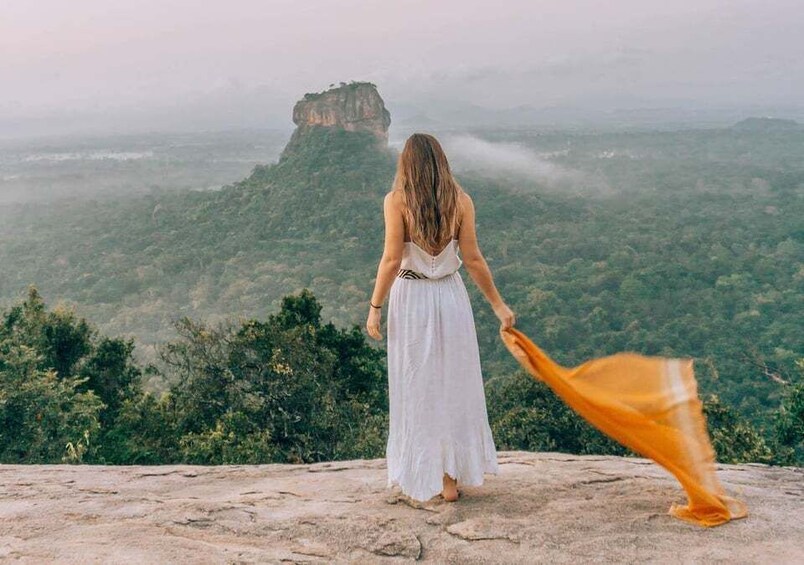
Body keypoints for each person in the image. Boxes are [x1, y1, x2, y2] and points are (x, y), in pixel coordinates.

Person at [366, 132, 515, 502]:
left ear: (407, 165)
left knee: (417, 384)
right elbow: (474, 260)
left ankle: (424, 475)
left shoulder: (396, 201)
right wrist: (498, 306)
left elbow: (390, 259)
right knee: (453, 383)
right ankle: (450, 477)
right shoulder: (461, 201)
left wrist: (375, 307)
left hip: (411, 297)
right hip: (450, 295)